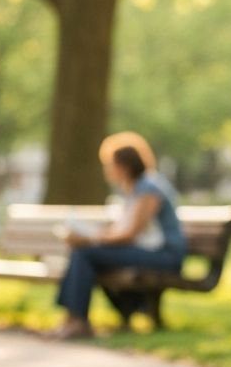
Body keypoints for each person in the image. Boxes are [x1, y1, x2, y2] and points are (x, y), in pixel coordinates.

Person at [49, 132, 185, 340]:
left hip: (164, 255)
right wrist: (86, 237)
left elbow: (129, 234)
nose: (107, 170)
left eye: (109, 164)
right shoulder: (133, 190)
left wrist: (90, 239)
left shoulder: (149, 189)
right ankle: (72, 320)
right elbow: (120, 232)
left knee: (85, 254)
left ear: (124, 166)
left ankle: (77, 321)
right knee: (83, 253)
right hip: (147, 251)